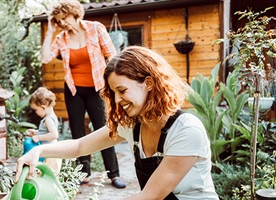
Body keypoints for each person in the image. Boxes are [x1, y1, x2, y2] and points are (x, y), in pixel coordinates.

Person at [16, 46, 219, 199]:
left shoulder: (186, 130)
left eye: (122, 91)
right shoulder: (133, 126)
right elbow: (80, 146)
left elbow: (151, 196)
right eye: (113, 94)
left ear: (148, 83)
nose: (117, 100)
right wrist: (39, 151)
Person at [41, 0, 126, 188]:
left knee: (105, 129)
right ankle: (84, 173)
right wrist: (50, 30)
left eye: (64, 18)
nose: (62, 23)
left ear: (74, 13)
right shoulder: (61, 38)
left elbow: (112, 55)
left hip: (97, 88)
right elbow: (45, 58)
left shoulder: (96, 29)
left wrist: (114, 85)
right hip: (74, 90)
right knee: (78, 132)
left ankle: (114, 174)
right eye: (58, 20)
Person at [25, 87, 62, 174]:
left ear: (43, 107)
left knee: (47, 175)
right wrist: (36, 132)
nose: (35, 113)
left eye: (36, 110)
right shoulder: (50, 117)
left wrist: (38, 137)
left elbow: (54, 135)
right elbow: (47, 132)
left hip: (50, 156)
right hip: (50, 153)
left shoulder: (48, 120)